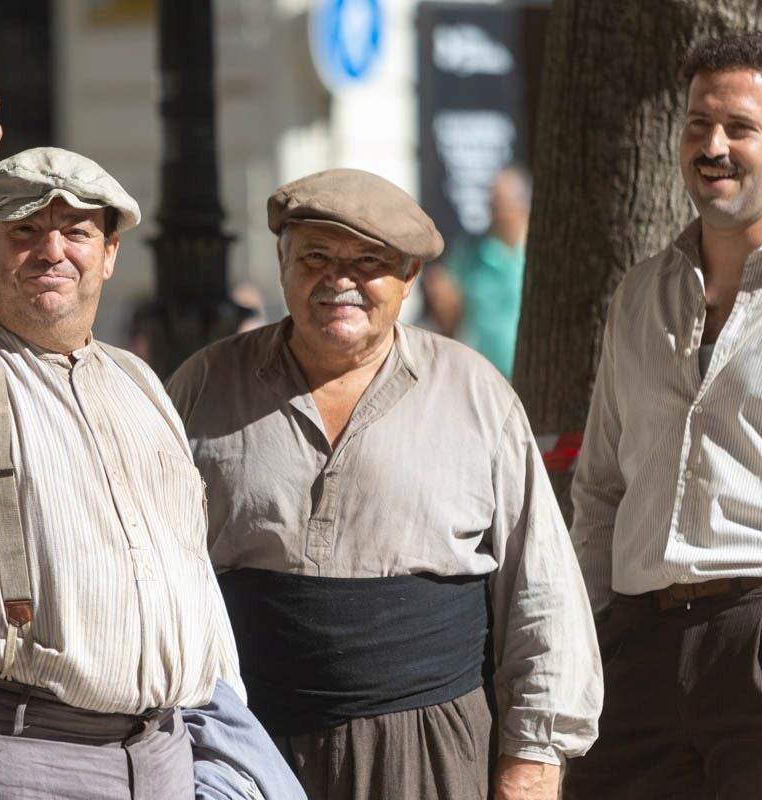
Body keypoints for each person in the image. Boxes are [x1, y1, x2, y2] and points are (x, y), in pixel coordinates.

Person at [0, 83, 300, 799]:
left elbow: (187, 571)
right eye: (24, 231)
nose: (53, 250)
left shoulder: (138, 383)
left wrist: (224, 747)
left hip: (162, 757)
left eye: (76, 231)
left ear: (108, 253)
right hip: (5, 754)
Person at [166, 168, 602, 800]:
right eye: (314, 256)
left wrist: (533, 760)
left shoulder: (474, 394)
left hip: (431, 748)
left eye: (368, 263)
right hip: (245, 741)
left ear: (409, 279)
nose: (338, 280)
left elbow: (542, 591)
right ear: (282, 262)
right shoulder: (205, 386)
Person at [565, 31, 762, 800]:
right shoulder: (639, 294)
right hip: (637, 646)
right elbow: (599, 486)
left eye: (738, 128)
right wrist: (591, 633)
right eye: (697, 125)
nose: (713, 146)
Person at [446, 166, 531, 377]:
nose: (496, 211)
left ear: (522, 206)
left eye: (503, 204)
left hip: (530, 374)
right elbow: (452, 312)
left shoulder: (540, 253)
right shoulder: (469, 250)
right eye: (493, 203)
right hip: (484, 376)